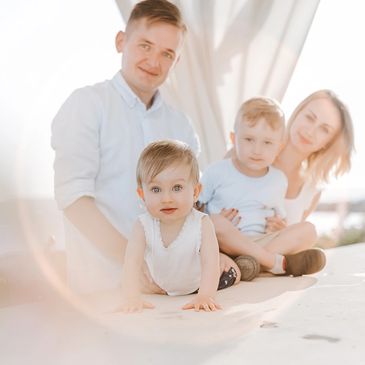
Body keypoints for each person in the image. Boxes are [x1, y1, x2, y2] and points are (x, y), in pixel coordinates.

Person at [51, 0, 200, 294]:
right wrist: (133, 262)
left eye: (167, 53)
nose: (154, 62)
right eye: (145, 45)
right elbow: (73, 198)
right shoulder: (86, 105)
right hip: (101, 291)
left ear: (176, 61)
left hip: (170, 290)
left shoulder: (181, 126)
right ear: (122, 41)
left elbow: (190, 206)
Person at [198, 97, 326, 278]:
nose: (257, 150)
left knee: (309, 230)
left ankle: (248, 264)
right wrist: (211, 218)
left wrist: (278, 227)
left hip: (261, 241)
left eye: (267, 143)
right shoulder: (217, 171)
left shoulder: (278, 180)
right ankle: (272, 262)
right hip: (225, 242)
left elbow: (278, 219)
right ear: (234, 139)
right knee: (214, 224)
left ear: (279, 146)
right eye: (249, 139)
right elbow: (194, 207)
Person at [120, 140, 240, 313]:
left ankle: (238, 263)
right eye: (155, 189)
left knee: (231, 273)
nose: (166, 198)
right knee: (129, 280)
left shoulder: (202, 223)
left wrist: (205, 295)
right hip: (162, 284)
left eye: (177, 187)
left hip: (199, 282)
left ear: (195, 192)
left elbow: (209, 262)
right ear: (142, 194)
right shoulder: (142, 225)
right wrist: (131, 297)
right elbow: (131, 262)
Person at [266, 89, 354, 231]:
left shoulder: (312, 191)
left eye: (324, 129)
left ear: (328, 143)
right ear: (298, 112)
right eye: (310, 117)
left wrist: (281, 233)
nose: (310, 131)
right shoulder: (252, 153)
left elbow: (293, 242)